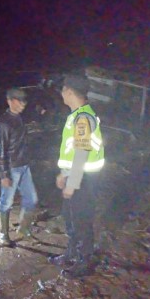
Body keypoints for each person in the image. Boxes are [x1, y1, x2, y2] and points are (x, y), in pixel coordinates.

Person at [50, 75, 105, 278]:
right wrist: (64, 173)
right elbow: (72, 151)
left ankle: (85, 261)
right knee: (70, 217)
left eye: (63, 90)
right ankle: (71, 253)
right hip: (77, 176)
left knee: (81, 219)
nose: (62, 94)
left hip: (84, 179)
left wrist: (72, 183)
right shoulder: (78, 115)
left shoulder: (82, 118)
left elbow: (82, 152)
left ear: (70, 92)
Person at [0, 88, 38, 246]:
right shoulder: (4, 123)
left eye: (24, 102)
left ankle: (23, 228)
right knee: (6, 201)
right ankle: (3, 234)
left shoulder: (20, 118)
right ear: (11, 101)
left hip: (24, 166)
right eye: (20, 101)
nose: (23, 105)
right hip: (11, 168)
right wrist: (4, 174)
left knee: (31, 200)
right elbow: (1, 150)